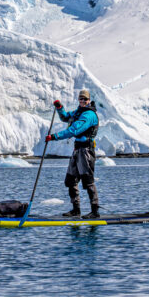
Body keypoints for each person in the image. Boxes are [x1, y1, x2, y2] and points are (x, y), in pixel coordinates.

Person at [46, 89, 100, 218]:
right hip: (77, 150)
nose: (82, 101)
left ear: (89, 101)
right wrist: (60, 108)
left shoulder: (88, 115)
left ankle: (95, 211)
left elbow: (74, 130)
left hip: (86, 150)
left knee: (88, 181)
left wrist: (54, 137)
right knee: (71, 180)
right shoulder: (78, 112)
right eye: (80, 99)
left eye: (85, 99)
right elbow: (65, 117)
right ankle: (76, 210)